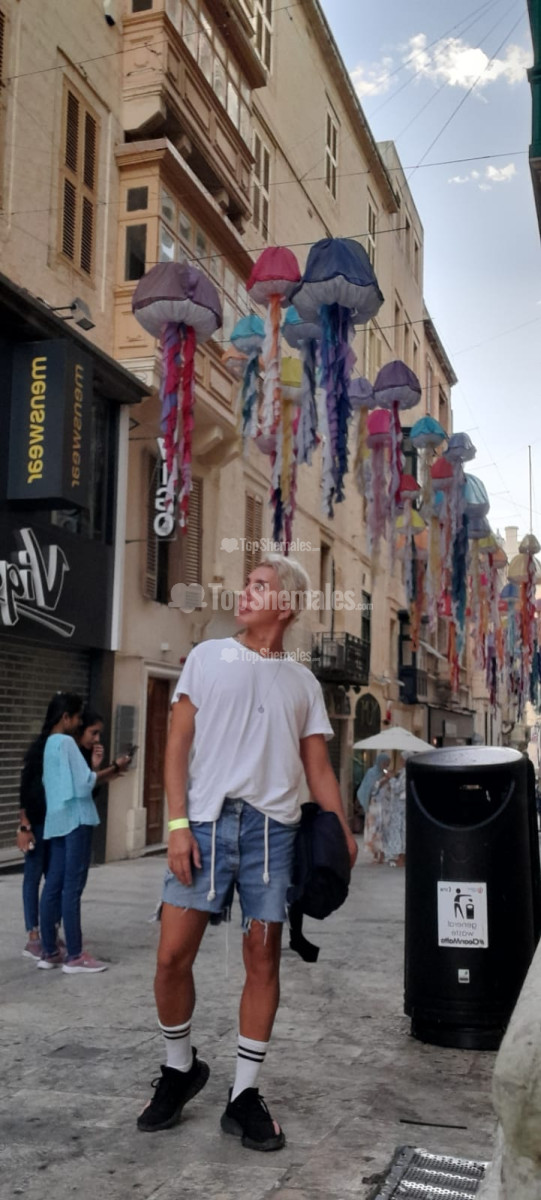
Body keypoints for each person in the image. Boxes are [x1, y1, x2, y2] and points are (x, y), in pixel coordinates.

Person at [137, 553, 358, 1148]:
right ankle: (179, 1068)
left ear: (286, 604)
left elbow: (318, 767)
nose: (247, 591)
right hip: (205, 825)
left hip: (272, 833)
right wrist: (176, 824)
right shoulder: (208, 658)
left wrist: (342, 830)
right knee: (170, 957)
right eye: (248, 583)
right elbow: (176, 745)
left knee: (263, 960)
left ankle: (243, 1094)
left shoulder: (303, 683)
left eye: (261, 585)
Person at [38, 695, 130, 974]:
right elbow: (84, 783)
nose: (79, 723)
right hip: (77, 818)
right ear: (66, 717)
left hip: (57, 819)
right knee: (72, 887)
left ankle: (49, 950)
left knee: (53, 884)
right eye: (77, 717)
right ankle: (75, 955)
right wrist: (111, 768)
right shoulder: (67, 743)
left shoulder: (48, 744)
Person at [17, 702, 68, 959]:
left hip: (58, 822)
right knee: (33, 876)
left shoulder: (67, 747)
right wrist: (24, 825)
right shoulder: (40, 749)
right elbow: (25, 788)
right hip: (38, 822)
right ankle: (33, 935)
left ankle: (51, 932)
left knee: (55, 878)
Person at [380, 752, 408, 868]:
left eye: (402, 759)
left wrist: (391, 779)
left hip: (401, 807)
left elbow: (398, 788)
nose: (401, 761)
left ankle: (401, 857)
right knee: (398, 831)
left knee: (400, 832)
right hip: (398, 807)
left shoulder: (406, 773)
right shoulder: (402, 772)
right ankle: (398, 856)